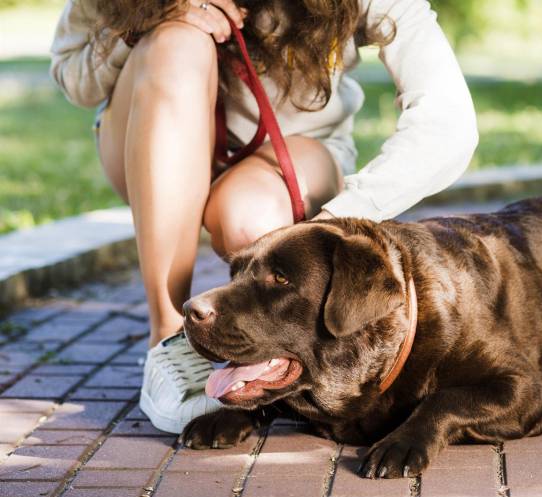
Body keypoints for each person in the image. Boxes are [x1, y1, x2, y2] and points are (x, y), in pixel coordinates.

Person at [49, 0, 478, 433]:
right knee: (177, 42)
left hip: (291, 154)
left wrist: (334, 221)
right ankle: (169, 338)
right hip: (143, 143)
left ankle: (261, 354)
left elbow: (449, 125)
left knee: (253, 223)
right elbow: (71, 74)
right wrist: (145, 23)